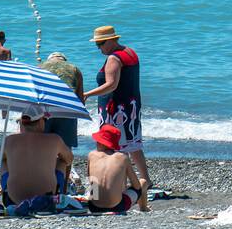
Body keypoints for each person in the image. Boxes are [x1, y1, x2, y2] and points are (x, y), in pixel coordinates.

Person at [82, 25, 149, 184]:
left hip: (115, 108)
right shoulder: (130, 52)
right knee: (132, 144)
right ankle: (145, 179)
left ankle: (120, 182)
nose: (98, 48)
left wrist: (87, 94)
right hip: (131, 106)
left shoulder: (114, 58)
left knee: (114, 145)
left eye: (101, 43)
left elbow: (111, 85)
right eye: (97, 44)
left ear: (112, 40)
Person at [0, 114, 74, 214]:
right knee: (62, 161)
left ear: (22, 123)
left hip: (12, 200)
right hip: (46, 200)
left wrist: (16, 154)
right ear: (40, 122)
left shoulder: (9, 140)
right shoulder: (55, 139)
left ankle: (8, 192)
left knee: (3, 161)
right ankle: (62, 193)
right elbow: (69, 159)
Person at [86, 123, 150, 214]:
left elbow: (91, 180)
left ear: (101, 142)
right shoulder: (122, 157)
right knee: (143, 182)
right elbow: (136, 186)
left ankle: (104, 200)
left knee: (96, 183)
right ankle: (143, 208)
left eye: (98, 140)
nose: (96, 142)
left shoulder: (91, 155)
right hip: (117, 207)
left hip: (93, 206)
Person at [40, 51, 84, 151]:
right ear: (64, 60)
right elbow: (80, 101)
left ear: (49, 59)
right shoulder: (74, 69)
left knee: (42, 147)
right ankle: (65, 166)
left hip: (45, 110)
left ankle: (45, 165)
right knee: (66, 149)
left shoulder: (40, 67)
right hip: (67, 110)